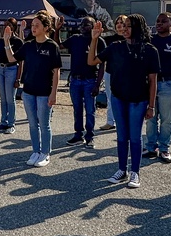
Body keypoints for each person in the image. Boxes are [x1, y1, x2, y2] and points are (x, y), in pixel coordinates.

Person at [92, 14, 159, 188]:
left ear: (139, 28)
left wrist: (151, 106)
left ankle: (135, 172)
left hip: (139, 99)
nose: (125, 29)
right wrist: (94, 39)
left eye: (129, 26)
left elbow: (153, 81)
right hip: (118, 97)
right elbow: (91, 61)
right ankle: (122, 170)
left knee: (135, 137)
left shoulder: (150, 50)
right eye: (123, 25)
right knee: (121, 137)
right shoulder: (115, 47)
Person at [4, 12, 62, 167]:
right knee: (32, 124)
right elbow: (12, 59)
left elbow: (57, 71)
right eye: (32, 25)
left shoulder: (52, 46)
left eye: (37, 25)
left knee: (44, 124)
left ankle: (45, 153)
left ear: (46, 27)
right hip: (28, 91)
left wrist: (53, 93)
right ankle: (36, 151)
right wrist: (6, 42)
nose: (33, 28)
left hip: (45, 92)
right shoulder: (28, 45)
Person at [142, 12, 171, 164]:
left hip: (168, 84)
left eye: (164, 21)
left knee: (166, 119)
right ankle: (150, 147)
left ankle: (164, 148)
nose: (159, 23)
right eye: (158, 21)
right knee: (150, 118)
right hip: (150, 84)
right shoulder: (149, 41)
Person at [62, 17, 104, 148]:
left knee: (90, 110)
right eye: (81, 24)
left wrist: (98, 84)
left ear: (92, 26)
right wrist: (57, 29)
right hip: (75, 80)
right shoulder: (75, 39)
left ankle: (90, 136)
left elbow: (102, 64)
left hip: (90, 80)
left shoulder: (99, 41)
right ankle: (78, 135)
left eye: (86, 24)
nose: (82, 26)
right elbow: (59, 45)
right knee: (77, 109)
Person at [0, 17, 23, 134]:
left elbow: (21, 61)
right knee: (3, 98)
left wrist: (18, 78)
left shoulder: (17, 42)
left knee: (10, 98)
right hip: (0, 69)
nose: (6, 27)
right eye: (5, 25)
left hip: (11, 69)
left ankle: (11, 123)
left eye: (9, 25)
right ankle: (4, 122)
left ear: (13, 28)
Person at [98, 15, 129, 132]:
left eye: (122, 22)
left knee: (126, 98)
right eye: (118, 23)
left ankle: (125, 121)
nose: (120, 25)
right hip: (110, 72)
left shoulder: (130, 39)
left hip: (126, 74)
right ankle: (110, 121)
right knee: (110, 97)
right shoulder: (109, 40)